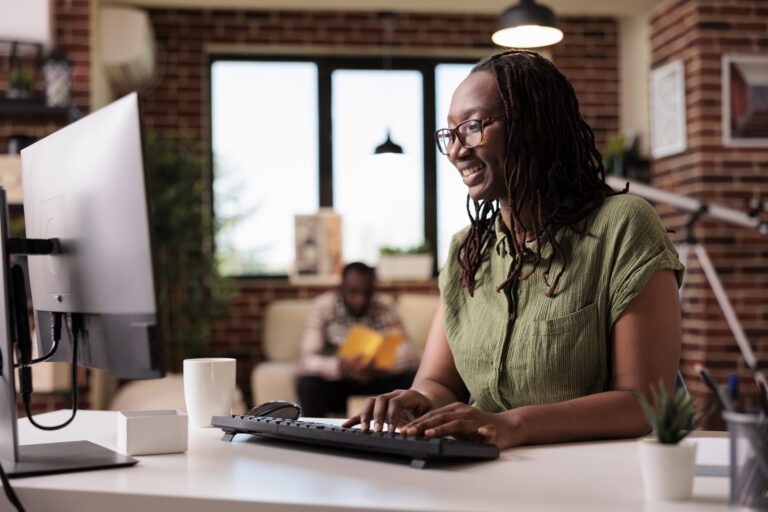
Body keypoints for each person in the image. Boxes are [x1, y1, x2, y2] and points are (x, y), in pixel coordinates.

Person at [343, 50, 685, 450]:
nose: (455, 150)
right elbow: (439, 382)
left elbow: (641, 402)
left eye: (472, 127)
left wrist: (510, 425)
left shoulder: (623, 225)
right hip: (488, 473)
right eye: (449, 134)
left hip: (596, 477)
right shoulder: (465, 252)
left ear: (533, 127)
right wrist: (418, 401)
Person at [297, 262, 420, 417]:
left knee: (416, 377)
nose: (360, 300)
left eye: (367, 293)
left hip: (377, 378)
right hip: (340, 382)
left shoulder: (385, 306)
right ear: (341, 287)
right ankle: (314, 437)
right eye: (354, 292)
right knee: (308, 385)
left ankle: (415, 434)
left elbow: (411, 356)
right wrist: (344, 365)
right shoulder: (323, 306)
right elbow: (306, 361)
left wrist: (375, 366)